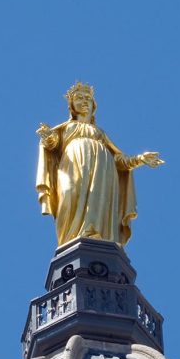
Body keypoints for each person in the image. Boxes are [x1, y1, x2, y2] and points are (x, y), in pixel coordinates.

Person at [36, 82, 163, 247]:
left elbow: (119, 160)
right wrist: (47, 136)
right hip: (71, 165)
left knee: (99, 200)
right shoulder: (66, 128)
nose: (84, 101)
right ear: (71, 106)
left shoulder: (100, 133)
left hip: (103, 170)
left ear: (93, 105)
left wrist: (139, 159)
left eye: (88, 98)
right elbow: (53, 145)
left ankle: (95, 234)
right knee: (69, 196)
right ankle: (70, 238)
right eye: (79, 98)